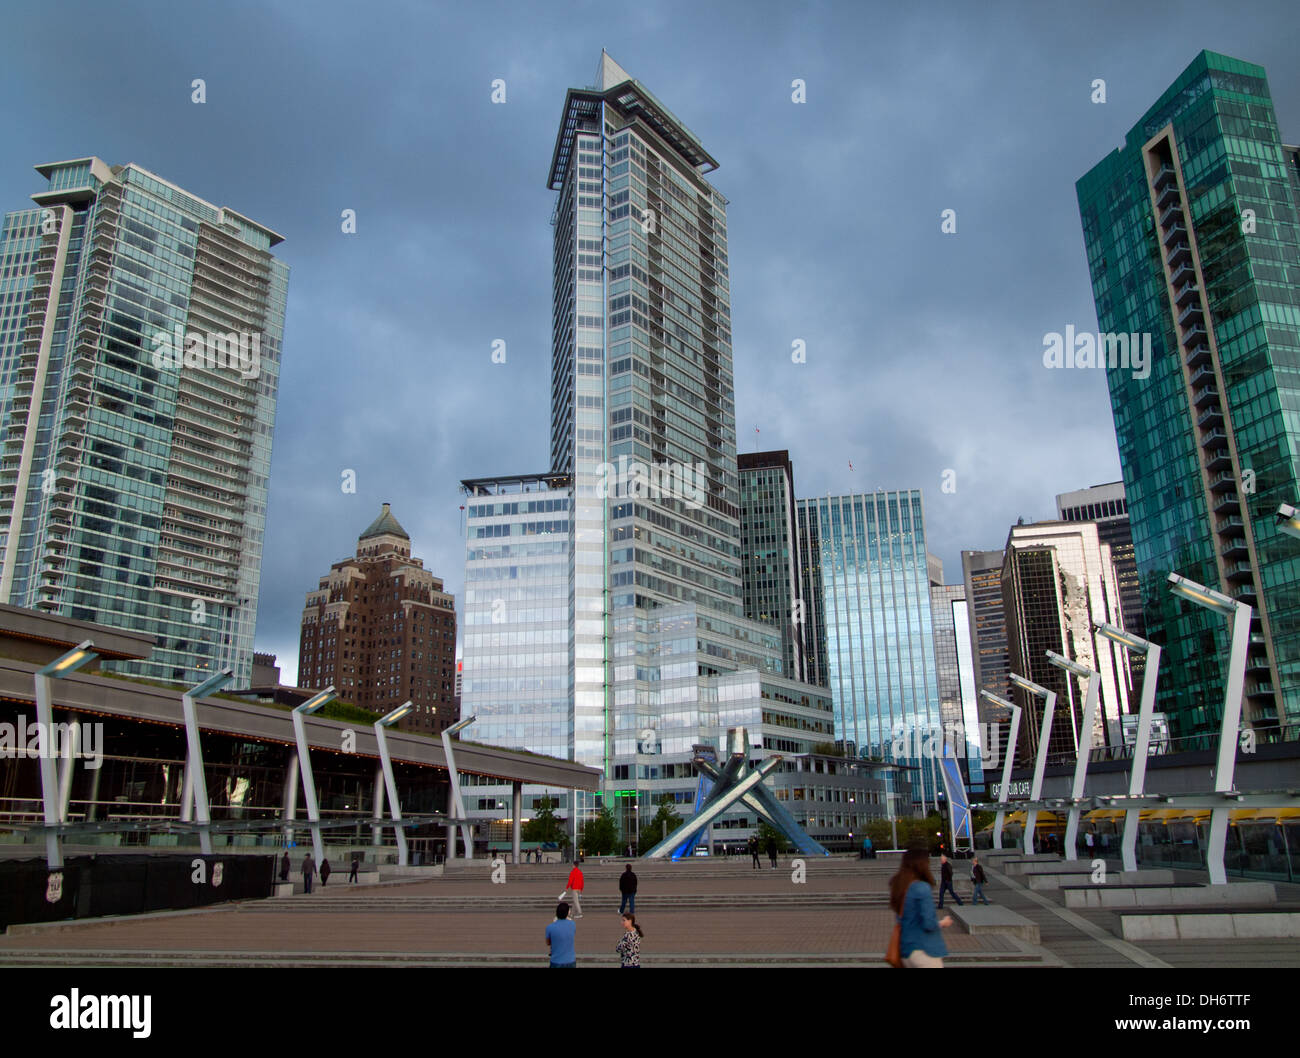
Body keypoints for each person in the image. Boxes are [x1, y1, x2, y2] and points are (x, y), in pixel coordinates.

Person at [890, 841, 952, 968]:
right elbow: (928, 923)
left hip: (906, 950)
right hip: (925, 950)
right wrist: (943, 922)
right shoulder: (921, 888)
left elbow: (900, 918)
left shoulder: (900, 887)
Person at [546, 902, 577, 968]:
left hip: (556, 961)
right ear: (567, 913)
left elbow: (548, 943)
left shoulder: (550, 927)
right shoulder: (572, 924)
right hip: (570, 960)